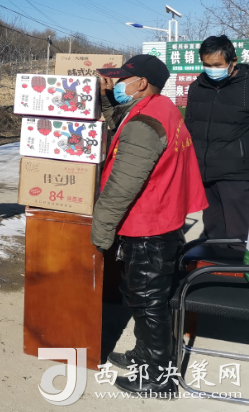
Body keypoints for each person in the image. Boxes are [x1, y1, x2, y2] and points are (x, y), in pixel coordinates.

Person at [92, 55, 207, 396]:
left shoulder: (145, 123)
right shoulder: (161, 109)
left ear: (141, 83)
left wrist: (101, 230)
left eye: (122, 80)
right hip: (163, 217)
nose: (116, 85)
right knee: (144, 295)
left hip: (149, 225)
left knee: (148, 302)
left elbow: (123, 185)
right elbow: (120, 122)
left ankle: (158, 377)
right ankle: (145, 355)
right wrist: (104, 98)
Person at [186, 35, 249, 243]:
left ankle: (236, 265)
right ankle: (214, 263)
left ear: (233, 61)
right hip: (205, 174)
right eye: (207, 65)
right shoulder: (197, 87)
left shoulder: (245, 87)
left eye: (217, 65)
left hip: (237, 176)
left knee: (237, 235)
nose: (212, 69)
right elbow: (190, 126)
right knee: (213, 233)